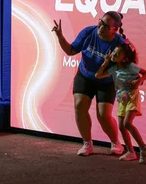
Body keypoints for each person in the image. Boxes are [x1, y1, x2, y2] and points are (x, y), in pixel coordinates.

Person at [52, 11, 128, 156]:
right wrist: (60, 37)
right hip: (85, 75)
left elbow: (124, 66)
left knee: (103, 115)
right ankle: (87, 144)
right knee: (80, 106)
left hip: (106, 81)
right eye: (101, 22)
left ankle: (115, 142)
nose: (101, 26)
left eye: (106, 26)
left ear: (114, 29)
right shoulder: (88, 32)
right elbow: (70, 50)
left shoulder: (120, 44)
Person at [95, 40, 146, 163]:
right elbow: (98, 76)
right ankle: (131, 152)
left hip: (132, 96)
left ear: (125, 58)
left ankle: (143, 147)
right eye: (114, 52)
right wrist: (105, 62)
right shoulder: (114, 68)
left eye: (117, 54)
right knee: (121, 126)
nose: (114, 55)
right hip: (121, 98)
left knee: (127, 123)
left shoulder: (131, 67)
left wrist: (138, 81)